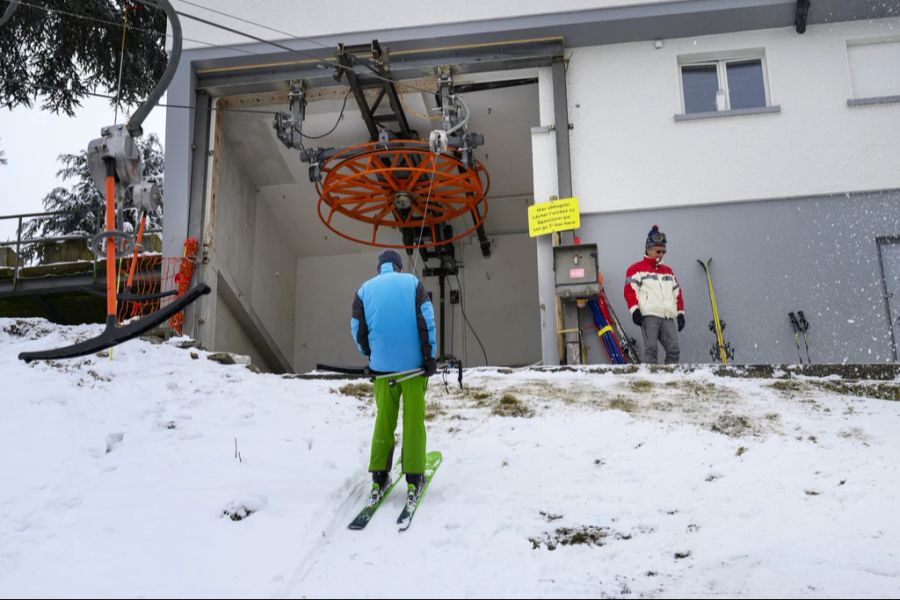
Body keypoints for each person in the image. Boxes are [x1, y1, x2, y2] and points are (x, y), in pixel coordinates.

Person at [351, 249, 437, 505]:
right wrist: (429, 356)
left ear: (380, 267)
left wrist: (370, 356)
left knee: (384, 420)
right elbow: (427, 322)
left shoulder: (364, 290)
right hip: (413, 368)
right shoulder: (413, 284)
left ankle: (379, 476)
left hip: (382, 370)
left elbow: (358, 329)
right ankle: (414, 478)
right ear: (399, 266)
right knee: (413, 420)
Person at [624, 225, 685, 364]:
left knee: (674, 350)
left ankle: (670, 379)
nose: (661, 254)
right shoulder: (635, 269)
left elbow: (677, 292)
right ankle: (651, 382)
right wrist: (634, 310)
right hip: (649, 315)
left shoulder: (668, 271)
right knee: (651, 350)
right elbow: (629, 290)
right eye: (658, 251)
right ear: (649, 248)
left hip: (667, 315)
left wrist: (680, 313)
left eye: (664, 252)